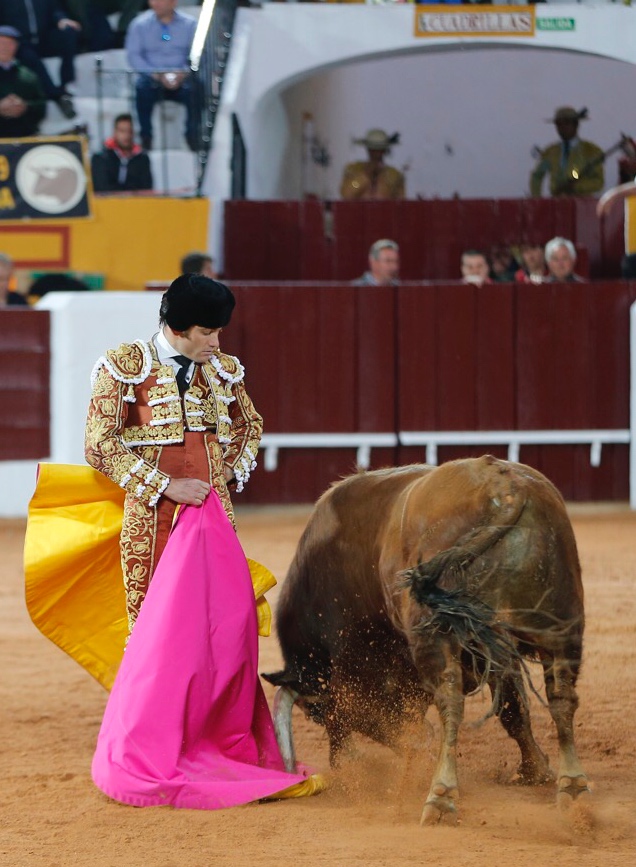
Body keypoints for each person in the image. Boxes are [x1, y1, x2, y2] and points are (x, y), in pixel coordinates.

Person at [84, 274, 325, 808]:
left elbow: (249, 424)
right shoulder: (125, 366)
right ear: (175, 328)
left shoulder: (223, 370)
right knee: (153, 632)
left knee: (223, 625)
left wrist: (223, 478)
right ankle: (156, 748)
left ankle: (214, 739)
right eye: (206, 332)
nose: (217, 342)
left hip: (211, 521)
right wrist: (166, 484)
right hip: (154, 519)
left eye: (219, 331)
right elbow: (98, 445)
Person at [125, 0, 198, 151]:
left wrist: (183, 72)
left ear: (173, 2)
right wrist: (156, 74)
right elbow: (134, 56)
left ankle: (193, 135)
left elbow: (198, 55)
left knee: (197, 90)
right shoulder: (139, 25)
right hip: (153, 77)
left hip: (181, 77)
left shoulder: (190, 25)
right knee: (142, 88)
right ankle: (146, 137)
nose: (155, 3)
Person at [0, 0, 81, 119]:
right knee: (31, 58)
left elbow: (55, 10)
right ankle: (56, 96)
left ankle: (66, 83)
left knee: (68, 33)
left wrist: (61, 19)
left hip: (43, 37)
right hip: (20, 41)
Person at [530, 106, 604, 198]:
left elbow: (598, 182)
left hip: (582, 204)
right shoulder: (551, 152)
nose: (562, 128)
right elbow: (537, 176)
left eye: (566, 123)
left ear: (576, 125)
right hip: (556, 203)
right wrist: (536, 200)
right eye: (558, 124)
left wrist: (576, 187)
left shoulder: (591, 151)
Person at [0, 26, 46, 138]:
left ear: (16, 46)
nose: (5, 47)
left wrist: (25, 107)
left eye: (10, 43)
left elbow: (41, 106)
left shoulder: (28, 76)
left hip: (24, 137)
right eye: (1, 43)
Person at [91, 113, 154, 193]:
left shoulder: (143, 159)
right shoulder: (100, 158)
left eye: (129, 131)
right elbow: (101, 188)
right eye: (122, 131)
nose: (126, 135)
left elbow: (146, 189)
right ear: (114, 132)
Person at [340, 128, 405, 201]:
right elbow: (347, 194)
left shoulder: (394, 175)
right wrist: (365, 175)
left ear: (385, 150)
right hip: (358, 211)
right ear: (368, 149)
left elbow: (400, 203)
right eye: (373, 149)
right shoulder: (353, 169)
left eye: (380, 149)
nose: (376, 153)